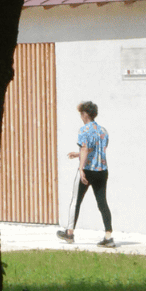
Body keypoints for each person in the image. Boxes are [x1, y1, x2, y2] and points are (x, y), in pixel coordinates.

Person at [57, 101, 115, 247]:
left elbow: (85, 148)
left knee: (76, 201)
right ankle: (108, 236)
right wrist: (78, 154)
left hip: (88, 170)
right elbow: (96, 149)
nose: (81, 117)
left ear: (85, 114)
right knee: (102, 202)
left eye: (81, 114)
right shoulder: (103, 131)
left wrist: (81, 168)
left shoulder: (84, 130)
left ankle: (69, 233)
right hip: (102, 170)